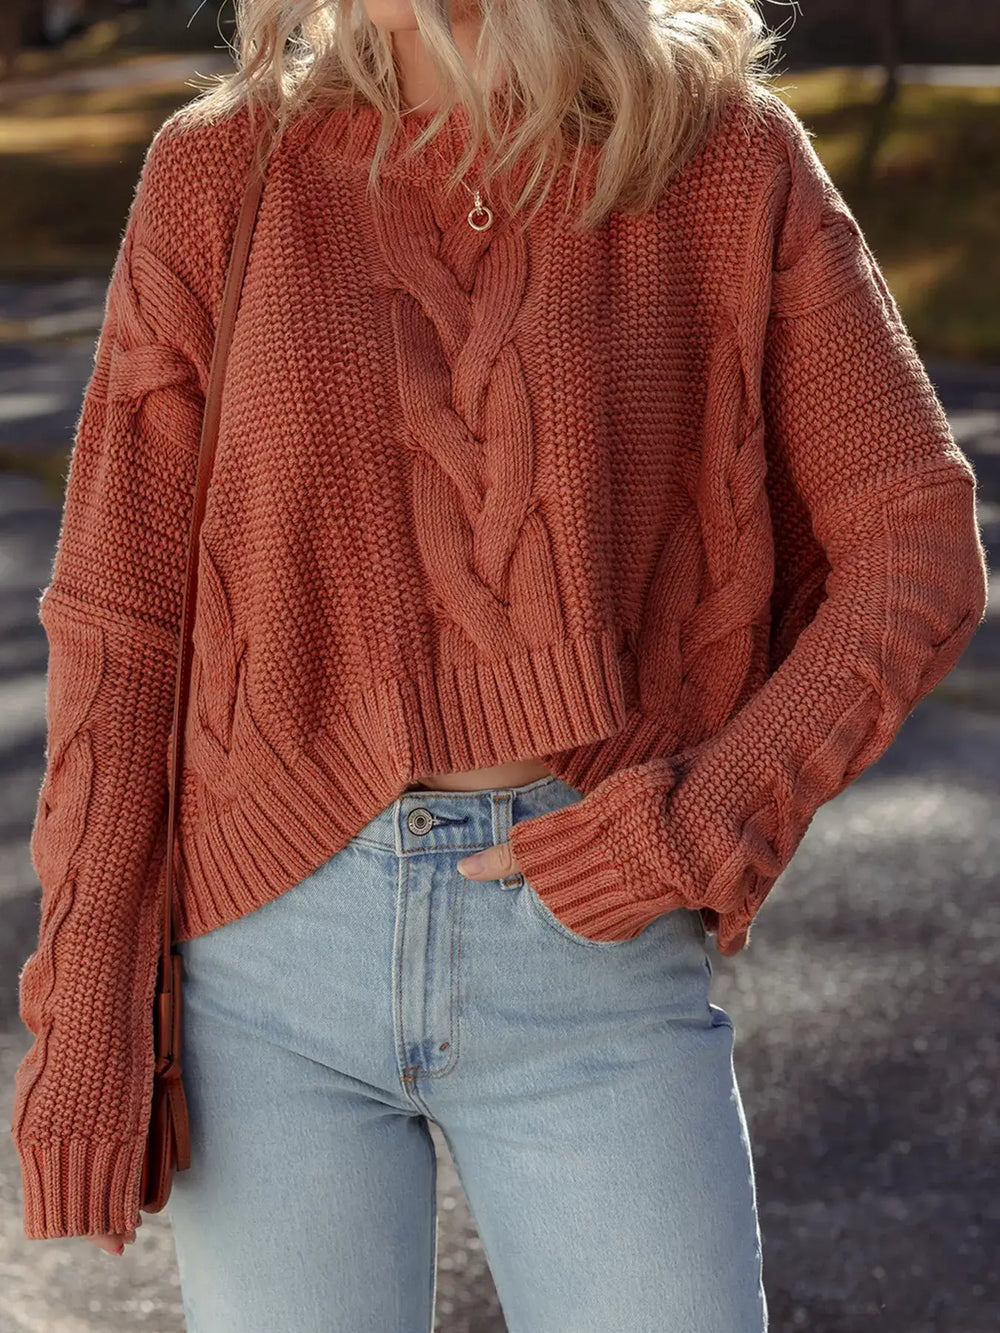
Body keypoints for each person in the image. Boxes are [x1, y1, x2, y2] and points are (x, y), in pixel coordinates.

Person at [11, 1, 988, 1329]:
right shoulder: (223, 173)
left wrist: (693, 826)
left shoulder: (722, 161)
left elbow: (917, 553)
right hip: (264, 969)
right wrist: (84, 1011)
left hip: (591, 955)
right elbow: (122, 618)